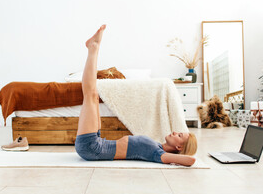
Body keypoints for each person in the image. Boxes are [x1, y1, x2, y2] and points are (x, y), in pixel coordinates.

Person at [75, 25, 197, 166]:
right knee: (94, 95)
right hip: (97, 143)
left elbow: (191, 160)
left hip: (92, 148)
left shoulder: (159, 154)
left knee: (90, 94)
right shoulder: (158, 147)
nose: (175, 132)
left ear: (179, 147)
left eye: (179, 135)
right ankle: (93, 47)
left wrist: (178, 155)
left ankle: (93, 47)